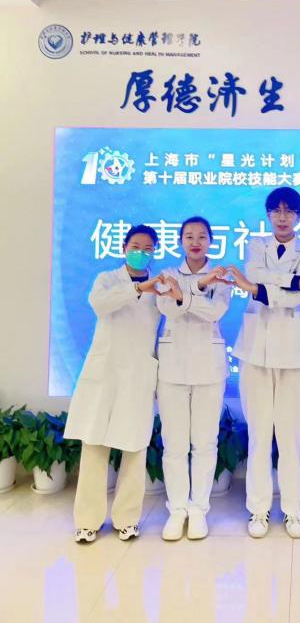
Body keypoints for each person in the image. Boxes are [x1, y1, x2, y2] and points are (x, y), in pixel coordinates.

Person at [229, 187, 300, 538]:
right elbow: (257, 277)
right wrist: (295, 281)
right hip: (255, 350)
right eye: (277, 210)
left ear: (298, 216)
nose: (283, 217)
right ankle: (258, 510)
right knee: (259, 435)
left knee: (291, 437)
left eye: (289, 211)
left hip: (294, 354)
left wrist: (263, 289)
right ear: (269, 214)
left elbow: (299, 296)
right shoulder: (256, 245)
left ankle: (293, 511)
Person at [64, 224, 163, 543]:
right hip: (105, 373)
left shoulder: (159, 288)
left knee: (134, 447)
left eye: (148, 248)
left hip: (138, 374)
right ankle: (87, 521)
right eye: (136, 246)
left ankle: (127, 519)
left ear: (155, 251)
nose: (141, 252)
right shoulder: (107, 279)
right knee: (95, 445)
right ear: (123, 247)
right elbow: (101, 305)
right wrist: (138, 288)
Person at [156, 216, 231, 541]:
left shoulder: (222, 277)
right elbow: (168, 308)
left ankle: (198, 509)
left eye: (202, 236)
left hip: (208, 368)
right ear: (180, 241)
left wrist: (185, 295)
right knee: (174, 444)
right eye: (189, 236)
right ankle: (177, 510)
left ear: (211, 240)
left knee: (204, 443)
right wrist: (198, 289)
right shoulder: (167, 275)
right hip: (172, 367)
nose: (196, 241)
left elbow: (215, 312)